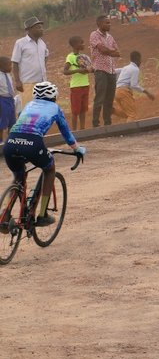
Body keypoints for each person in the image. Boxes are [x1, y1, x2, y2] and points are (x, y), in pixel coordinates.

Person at [2, 82, 86, 229]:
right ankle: (42, 215)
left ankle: (5, 215)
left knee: (18, 177)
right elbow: (66, 132)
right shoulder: (55, 108)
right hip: (33, 142)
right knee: (49, 169)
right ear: (54, 96)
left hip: (11, 141)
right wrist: (77, 149)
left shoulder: (28, 105)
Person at [88, 15, 120, 128]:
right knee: (100, 98)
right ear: (99, 24)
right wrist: (110, 51)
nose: (109, 25)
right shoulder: (94, 35)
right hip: (100, 70)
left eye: (109, 23)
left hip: (111, 71)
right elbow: (102, 50)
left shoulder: (110, 37)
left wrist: (108, 51)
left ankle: (108, 122)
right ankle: (95, 123)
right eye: (107, 23)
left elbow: (118, 52)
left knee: (109, 99)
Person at [11, 17, 49, 110]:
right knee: (29, 112)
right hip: (28, 83)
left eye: (41, 27)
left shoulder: (42, 43)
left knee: (41, 111)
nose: (41, 29)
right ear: (29, 29)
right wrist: (17, 81)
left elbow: (45, 56)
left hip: (42, 83)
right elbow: (15, 62)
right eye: (38, 27)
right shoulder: (20, 43)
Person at [112, 51, 154, 123]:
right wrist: (147, 92)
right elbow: (134, 85)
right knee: (132, 115)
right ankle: (130, 132)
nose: (141, 62)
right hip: (124, 92)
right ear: (137, 59)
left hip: (117, 91)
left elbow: (114, 71)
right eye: (140, 59)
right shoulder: (135, 69)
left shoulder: (125, 68)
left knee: (127, 114)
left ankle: (112, 110)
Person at [63, 36, 93, 131]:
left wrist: (90, 70)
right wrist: (78, 70)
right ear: (75, 45)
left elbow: (88, 69)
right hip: (76, 86)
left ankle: (82, 129)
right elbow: (65, 71)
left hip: (85, 85)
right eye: (81, 43)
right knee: (75, 111)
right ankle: (74, 131)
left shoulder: (83, 57)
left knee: (83, 109)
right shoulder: (70, 57)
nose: (83, 44)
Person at [0, 57, 16, 144]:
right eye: (9, 66)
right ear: (1, 66)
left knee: (12, 121)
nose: (11, 67)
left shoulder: (8, 74)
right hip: (2, 100)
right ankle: (0, 141)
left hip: (10, 99)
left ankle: (11, 140)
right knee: (2, 121)